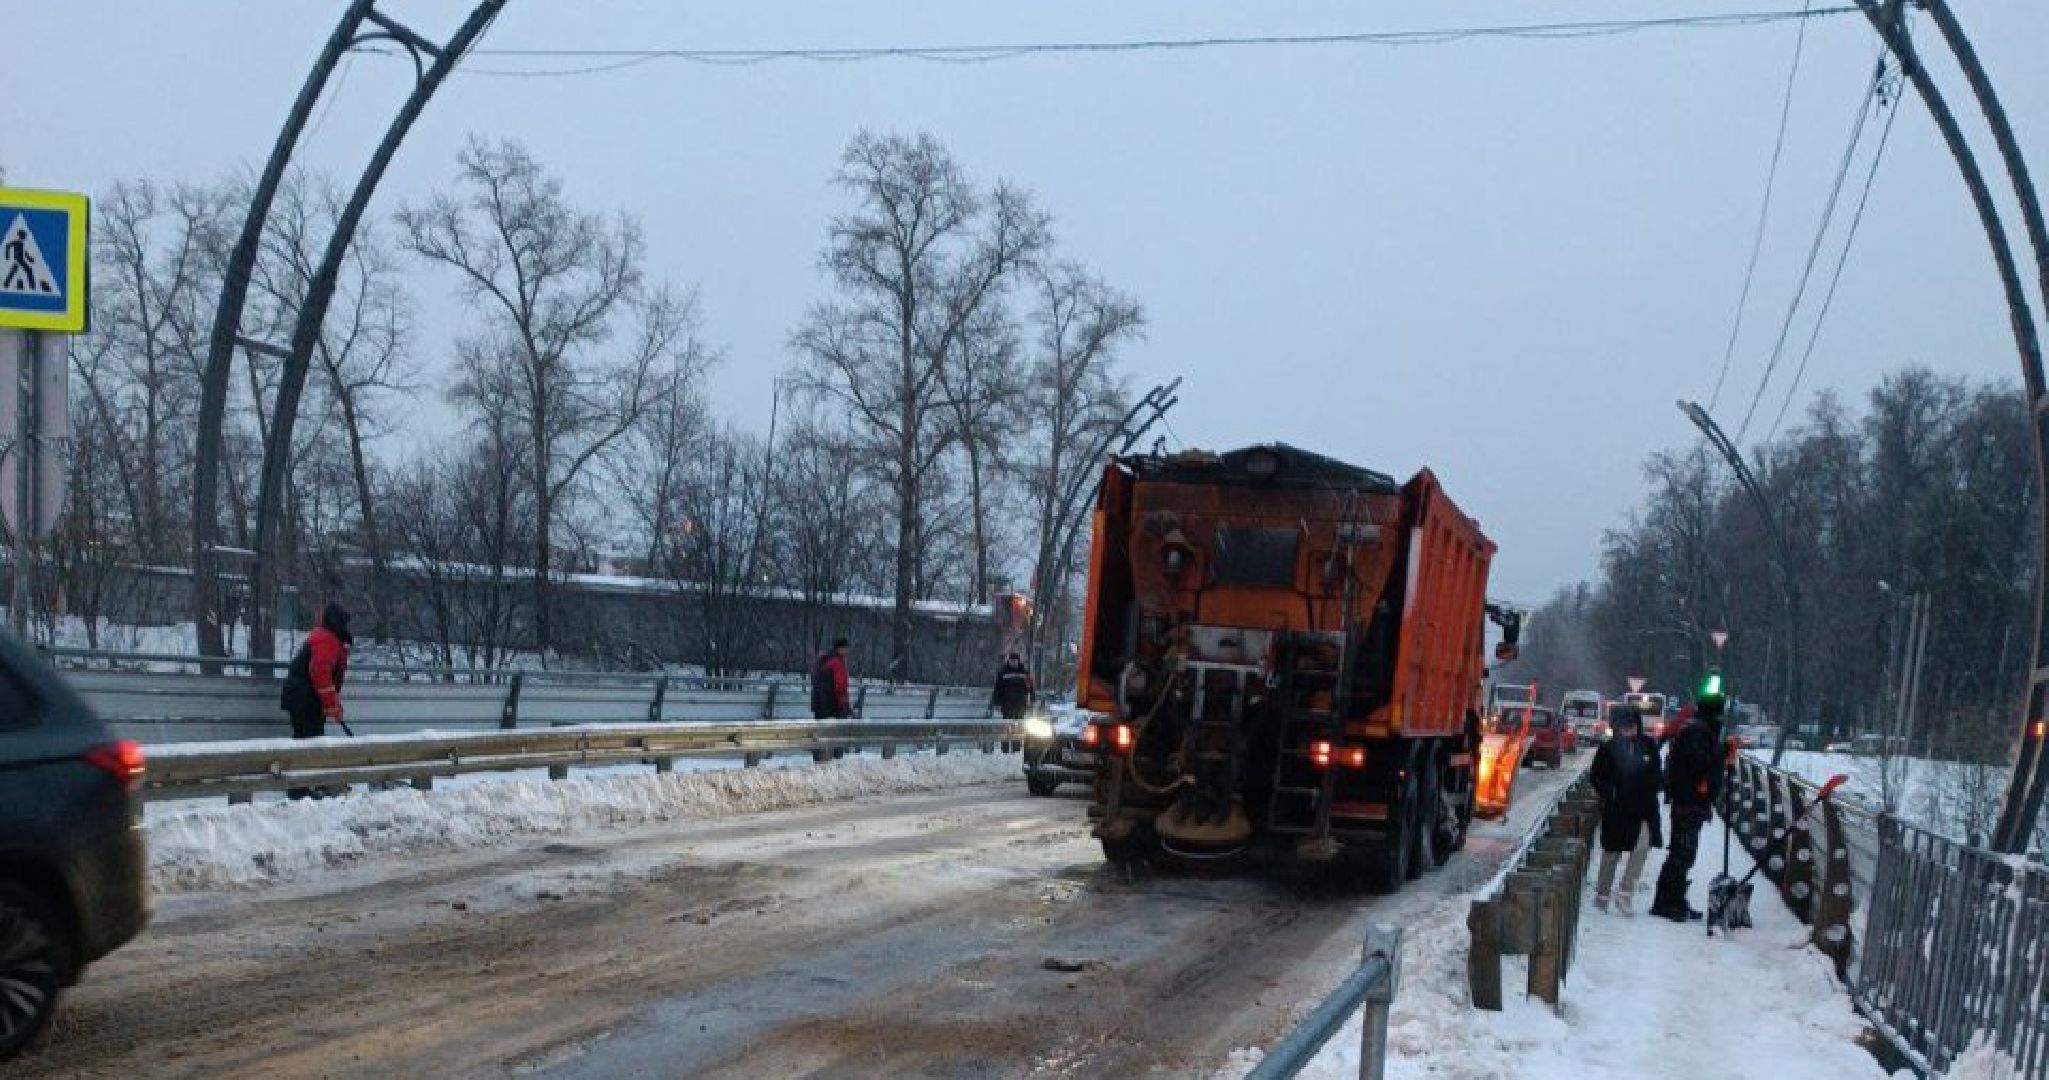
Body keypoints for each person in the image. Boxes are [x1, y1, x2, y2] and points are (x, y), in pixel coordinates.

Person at [1651, 686, 1727, 922]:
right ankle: (1666, 902)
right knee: (1682, 853)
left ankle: (1675, 900)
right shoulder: (1698, 732)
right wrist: (1722, 754)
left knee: (1684, 853)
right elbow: (1698, 765)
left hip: (1691, 801)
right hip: (1689, 801)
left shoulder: (1697, 728)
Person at [1589, 706, 1663, 914]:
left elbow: (1656, 772)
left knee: (1642, 847)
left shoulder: (1648, 745)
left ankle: (1625, 894)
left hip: (1643, 809)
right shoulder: (1608, 748)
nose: (1630, 730)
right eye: (1625, 727)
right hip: (1617, 808)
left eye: (1633, 726)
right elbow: (1596, 776)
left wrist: (1656, 783)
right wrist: (1609, 792)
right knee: (1612, 852)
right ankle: (1602, 897)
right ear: (1617, 727)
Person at [280, 602, 352, 800]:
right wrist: (330, 704)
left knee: (308, 741)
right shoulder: (327, 640)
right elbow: (319, 672)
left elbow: (326, 677)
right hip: (305, 699)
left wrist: (333, 704)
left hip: (303, 697)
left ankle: (304, 788)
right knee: (309, 742)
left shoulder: (324, 637)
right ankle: (300, 791)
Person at [811, 637, 851, 720]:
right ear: (840, 648)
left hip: (819, 702)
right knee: (835, 731)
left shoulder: (823, 660)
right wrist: (844, 704)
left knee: (820, 731)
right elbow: (840, 685)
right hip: (832, 705)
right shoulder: (837, 662)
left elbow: (814, 679)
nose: (847, 651)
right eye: (846, 648)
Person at [990, 653, 1034, 720]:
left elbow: (1030, 688)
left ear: (1018, 661)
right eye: (1012, 661)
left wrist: (1032, 700)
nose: (1013, 663)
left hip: (1020, 703)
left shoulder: (1024, 673)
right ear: (1009, 661)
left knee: (1019, 721)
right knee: (1007, 722)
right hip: (1006, 704)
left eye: (1015, 661)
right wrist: (996, 702)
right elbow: (997, 688)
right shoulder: (1003, 673)